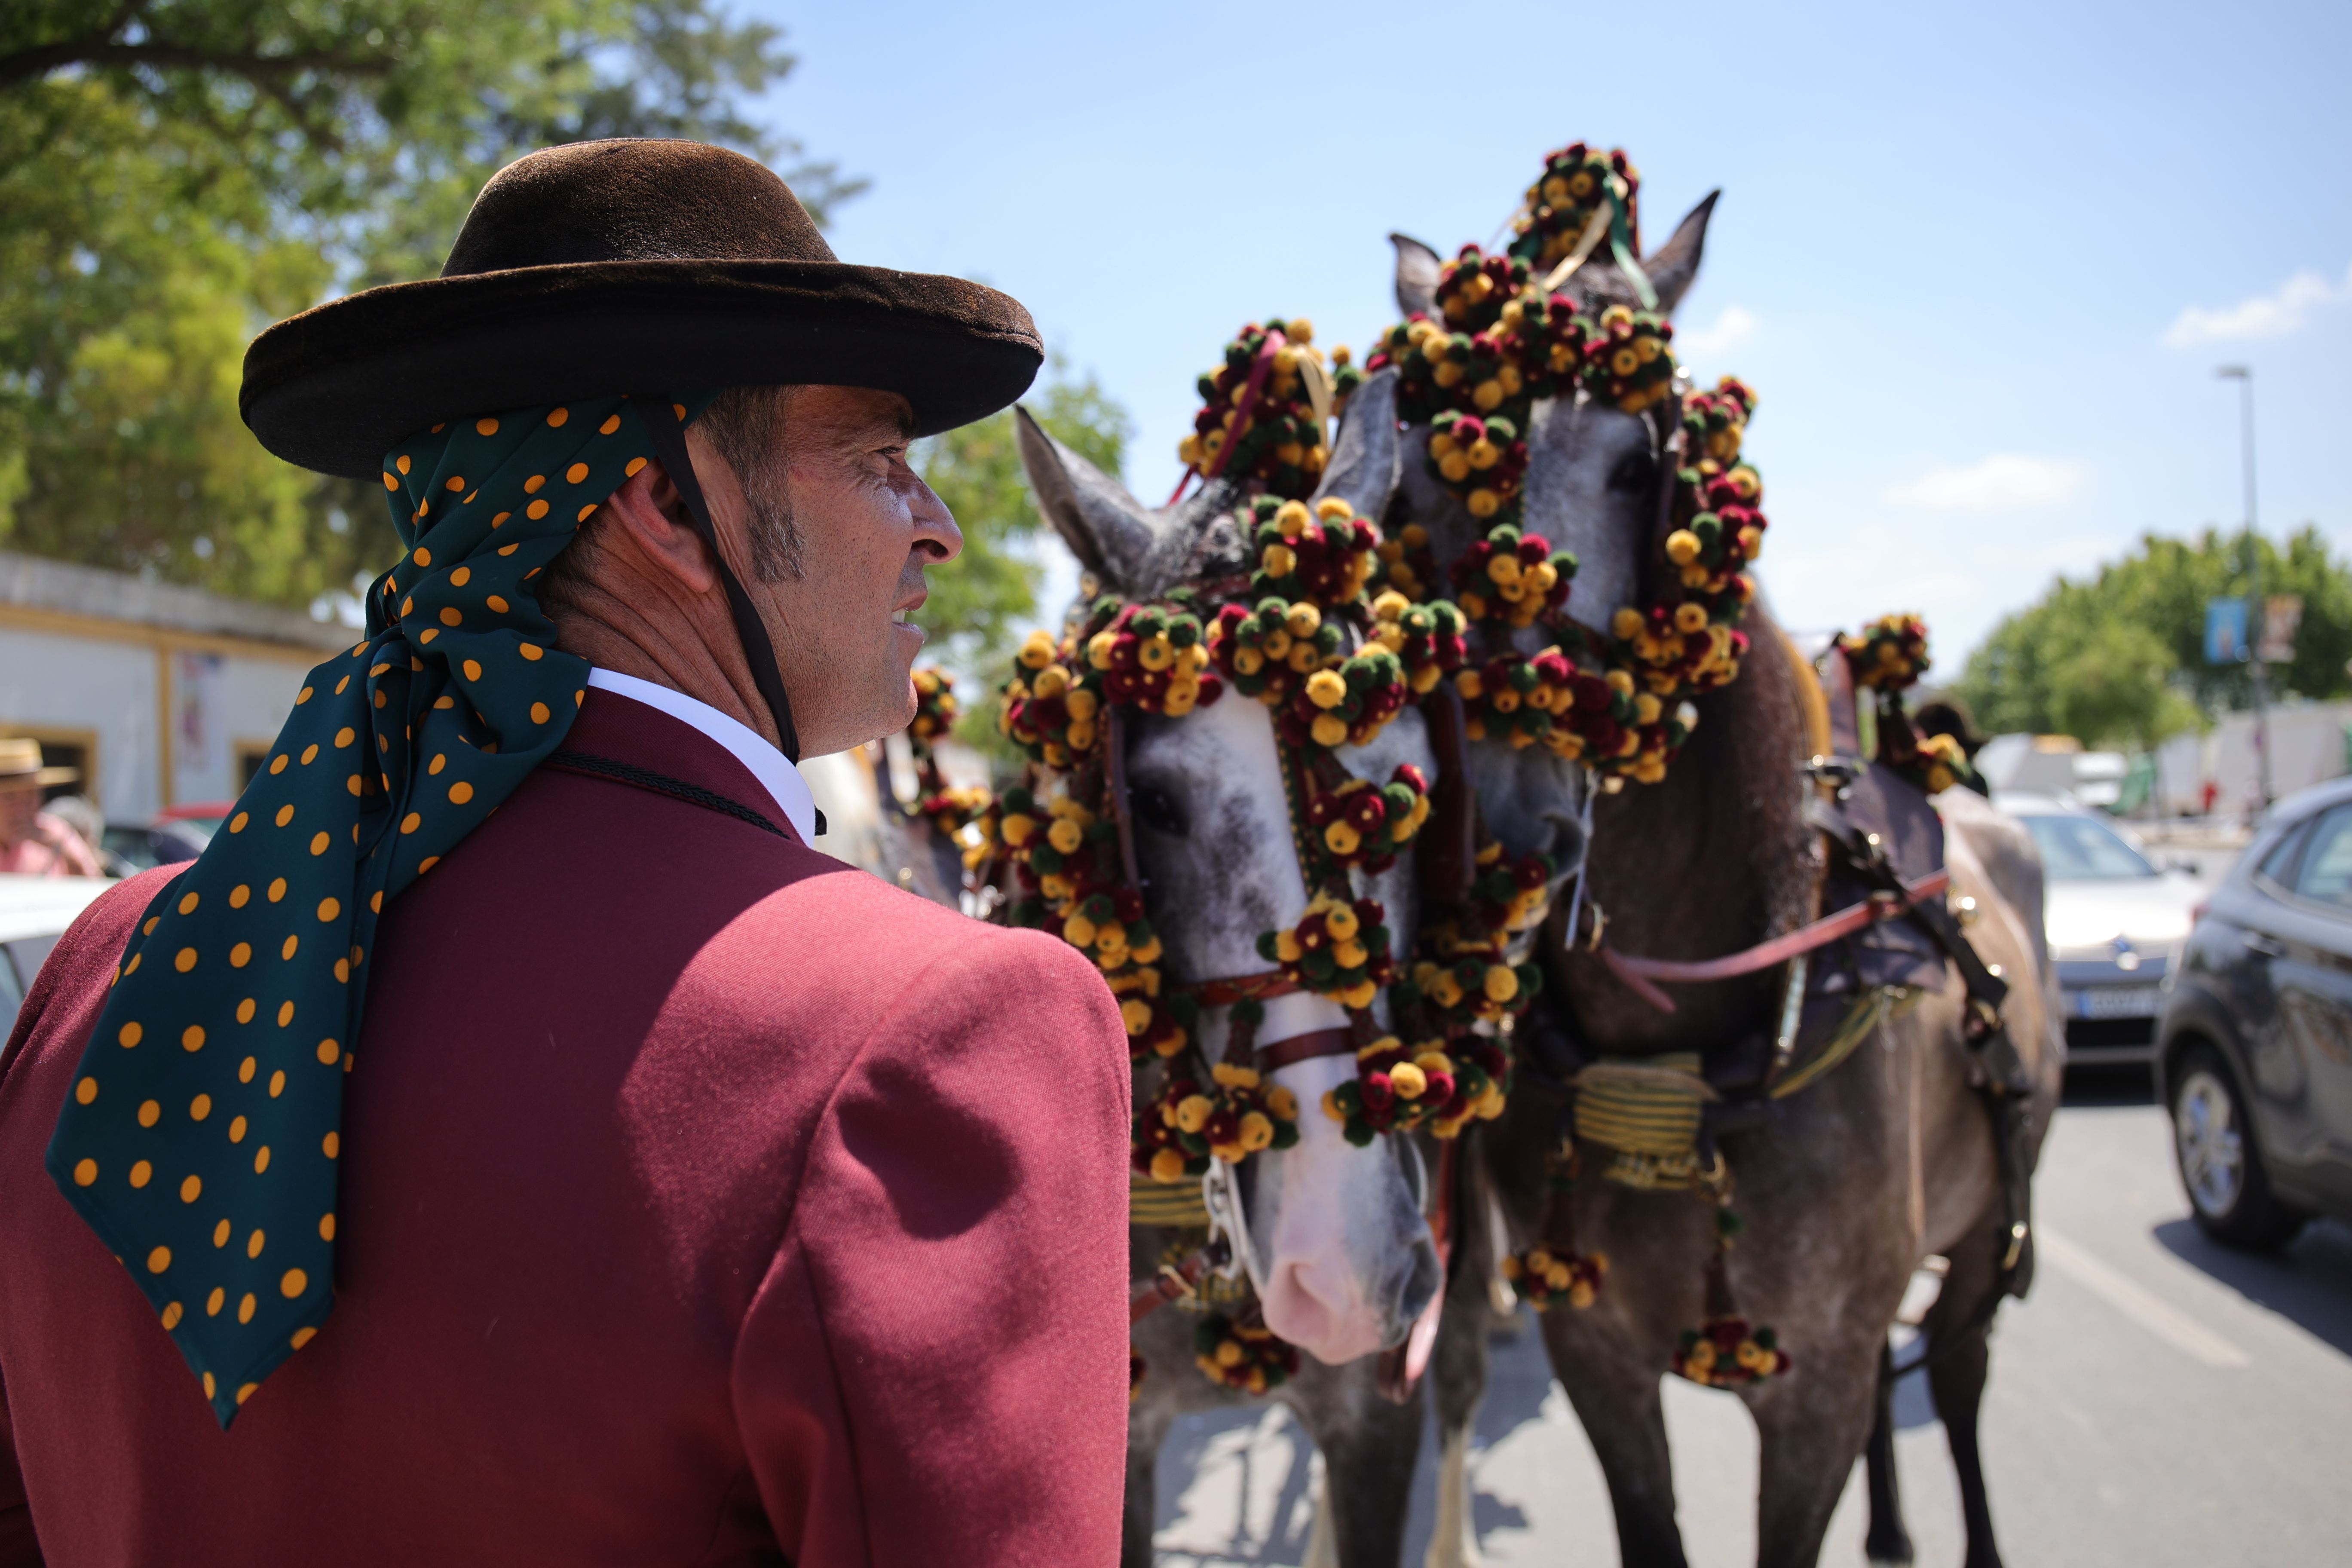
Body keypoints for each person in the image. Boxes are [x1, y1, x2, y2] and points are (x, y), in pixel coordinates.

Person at [0, 140, 1132, 1566]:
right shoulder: (929, 1028)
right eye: (883, 459)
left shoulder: (105, 965)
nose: (940, 528)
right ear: (660, 503)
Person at [0, 741, 102, 878]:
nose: (23, 808)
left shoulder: (55, 831)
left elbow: (95, 883)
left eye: (31, 795)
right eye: (10, 797)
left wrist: (57, 845)